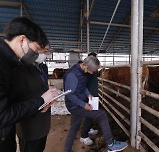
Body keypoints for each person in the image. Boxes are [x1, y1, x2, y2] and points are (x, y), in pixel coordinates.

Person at [0, 17, 58, 152]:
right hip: (23, 129)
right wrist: (41, 100)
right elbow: (3, 115)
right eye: (38, 49)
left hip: (7, 136)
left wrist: (46, 99)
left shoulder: (10, 62)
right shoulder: (8, 65)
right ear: (23, 40)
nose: (38, 54)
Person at [63, 56, 128, 152]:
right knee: (102, 115)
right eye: (91, 70)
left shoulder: (81, 71)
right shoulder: (72, 75)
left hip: (78, 103)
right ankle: (110, 144)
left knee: (74, 128)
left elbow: (82, 86)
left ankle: (66, 150)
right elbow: (70, 95)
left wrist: (88, 94)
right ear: (85, 65)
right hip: (74, 105)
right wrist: (84, 105)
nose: (91, 72)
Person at [10, 45, 51, 152]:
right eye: (44, 50)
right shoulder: (18, 69)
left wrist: (50, 98)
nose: (46, 54)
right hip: (29, 127)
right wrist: (40, 102)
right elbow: (16, 100)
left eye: (47, 51)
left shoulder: (43, 68)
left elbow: (42, 89)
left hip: (43, 124)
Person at [80, 52, 99, 146]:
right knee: (90, 114)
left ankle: (89, 129)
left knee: (92, 114)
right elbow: (84, 84)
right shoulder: (88, 71)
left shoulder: (91, 70)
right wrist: (88, 94)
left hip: (93, 94)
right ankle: (83, 136)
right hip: (90, 95)